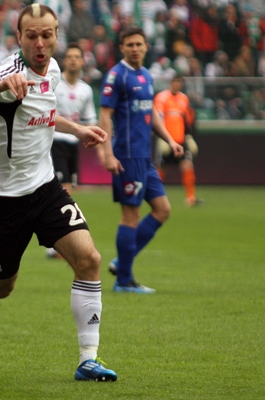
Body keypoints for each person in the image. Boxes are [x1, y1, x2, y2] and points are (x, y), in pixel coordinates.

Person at [0, 4, 117, 382]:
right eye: (32, 36)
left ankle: (88, 359)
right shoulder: (8, 73)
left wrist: (76, 130)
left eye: (47, 35)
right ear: (19, 37)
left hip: (46, 188)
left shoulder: (55, 70)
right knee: (2, 287)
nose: (40, 43)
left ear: (57, 35)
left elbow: (42, 113)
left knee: (89, 259)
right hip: (3, 199)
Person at [97, 27, 184, 293]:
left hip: (144, 157)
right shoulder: (117, 76)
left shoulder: (145, 75)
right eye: (129, 44)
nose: (135, 48)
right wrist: (108, 153)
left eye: (139, 44)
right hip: (126, 156)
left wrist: (169, 139)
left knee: (163, 210)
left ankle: (122, 261)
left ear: (146, 46)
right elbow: (104, 115)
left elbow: (151, 113)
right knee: (130, 216)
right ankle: (124, 280)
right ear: (122, 48)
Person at [45, 42, 97, 259]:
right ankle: (56, 242)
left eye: (77, 56)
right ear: (64, 61)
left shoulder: (86, 90)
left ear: (83, 61)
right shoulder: (55, 84)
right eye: (70, 56)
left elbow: (89, 119)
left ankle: (54, 238)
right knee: (63, 190)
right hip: (54, 142)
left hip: (73, 145)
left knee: (67, 191)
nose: (74, 60)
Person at [153, 75, 201, 207]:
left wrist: (189, 136)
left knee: (187, 165)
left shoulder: (184, 99)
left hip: (180, 140)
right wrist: (160, 138)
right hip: (166, 140)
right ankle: (155, 197)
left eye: (180, 83)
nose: (177, 85)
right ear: (171, 83)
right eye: (175, 82)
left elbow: (187, 120)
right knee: (161, 168)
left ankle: (191, 198)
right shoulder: (161, 98)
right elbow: (158, 118)